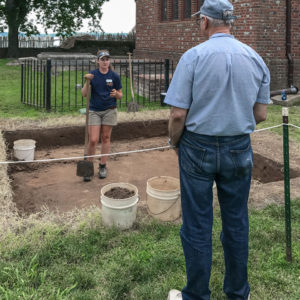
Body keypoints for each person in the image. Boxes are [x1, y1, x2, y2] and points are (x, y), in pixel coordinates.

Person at [165, 0, 270, 299]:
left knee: (197, 223)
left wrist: (174, 142)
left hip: (197, 147)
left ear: (206, 22)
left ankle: (196, 295)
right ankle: (238, 293)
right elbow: (261, 114)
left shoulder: (193, 57)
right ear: (231, 22)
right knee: (236, 221)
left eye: (200, 20)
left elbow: (177, 115)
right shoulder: (255, 57)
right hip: (239, 147)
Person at [81, 50, 122, 181]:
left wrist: (116, 94)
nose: (105, 62)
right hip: (94, 110)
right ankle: (88, 166)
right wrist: (87, 82)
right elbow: (84, 94)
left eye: (107, 59)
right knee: (93, 139)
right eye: (102, 59)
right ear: (98, 61)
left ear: (109, 61)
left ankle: (103, 165)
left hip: (110, 109)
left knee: (105, 137)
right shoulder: (92, 75)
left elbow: (120, 95)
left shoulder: (114, 76)